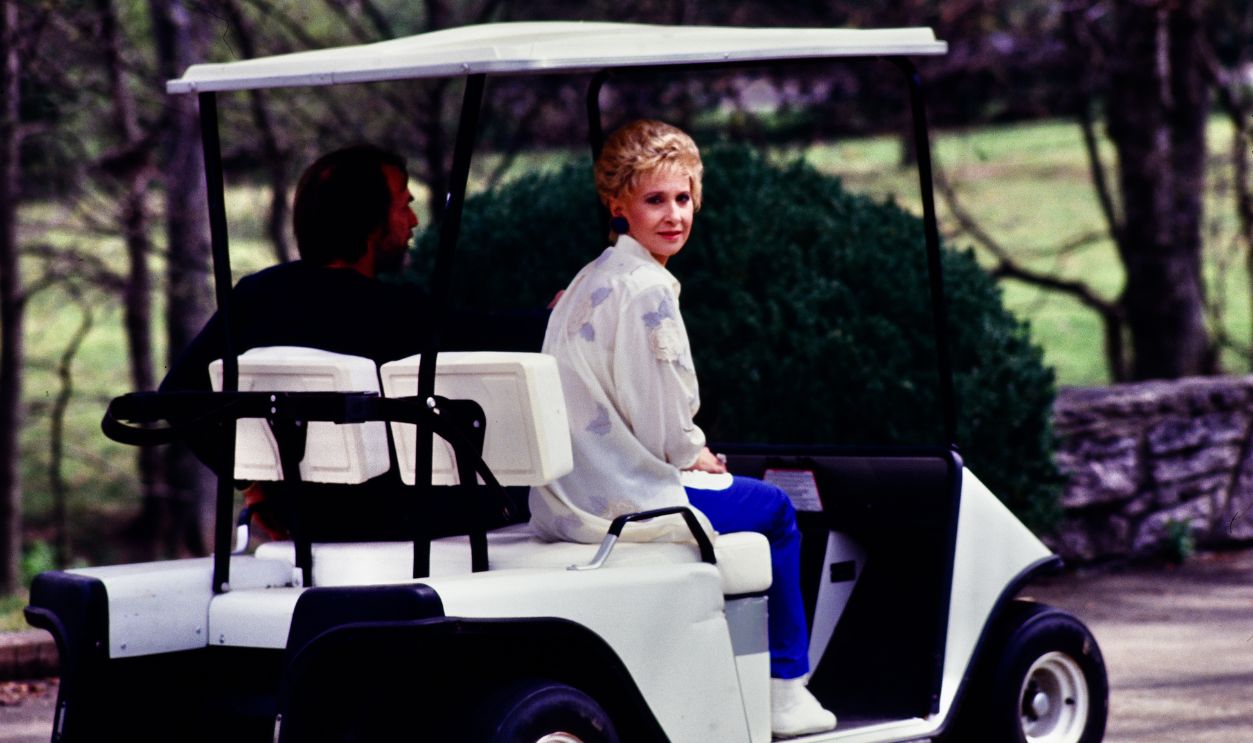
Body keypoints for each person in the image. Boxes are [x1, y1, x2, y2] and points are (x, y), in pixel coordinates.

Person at [528, 120, 837, 738]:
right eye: (654, 200)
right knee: (776, 510)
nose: (673, 215)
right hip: (625, 494)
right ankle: (784, 689)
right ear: (619, 205)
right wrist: (696, 455)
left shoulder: (593, 277)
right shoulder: (647, 288)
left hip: (567, 496)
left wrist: (684, 451)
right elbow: (665, 425)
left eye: (683, 197)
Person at [161, 143, 532, 540]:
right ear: (370, 222)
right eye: (403, 205)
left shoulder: (258, 296)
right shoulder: (395, 311)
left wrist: (254, 489)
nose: (414, 220)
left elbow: (177, 396)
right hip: (397, 524)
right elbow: (501, 335)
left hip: (306, 520)